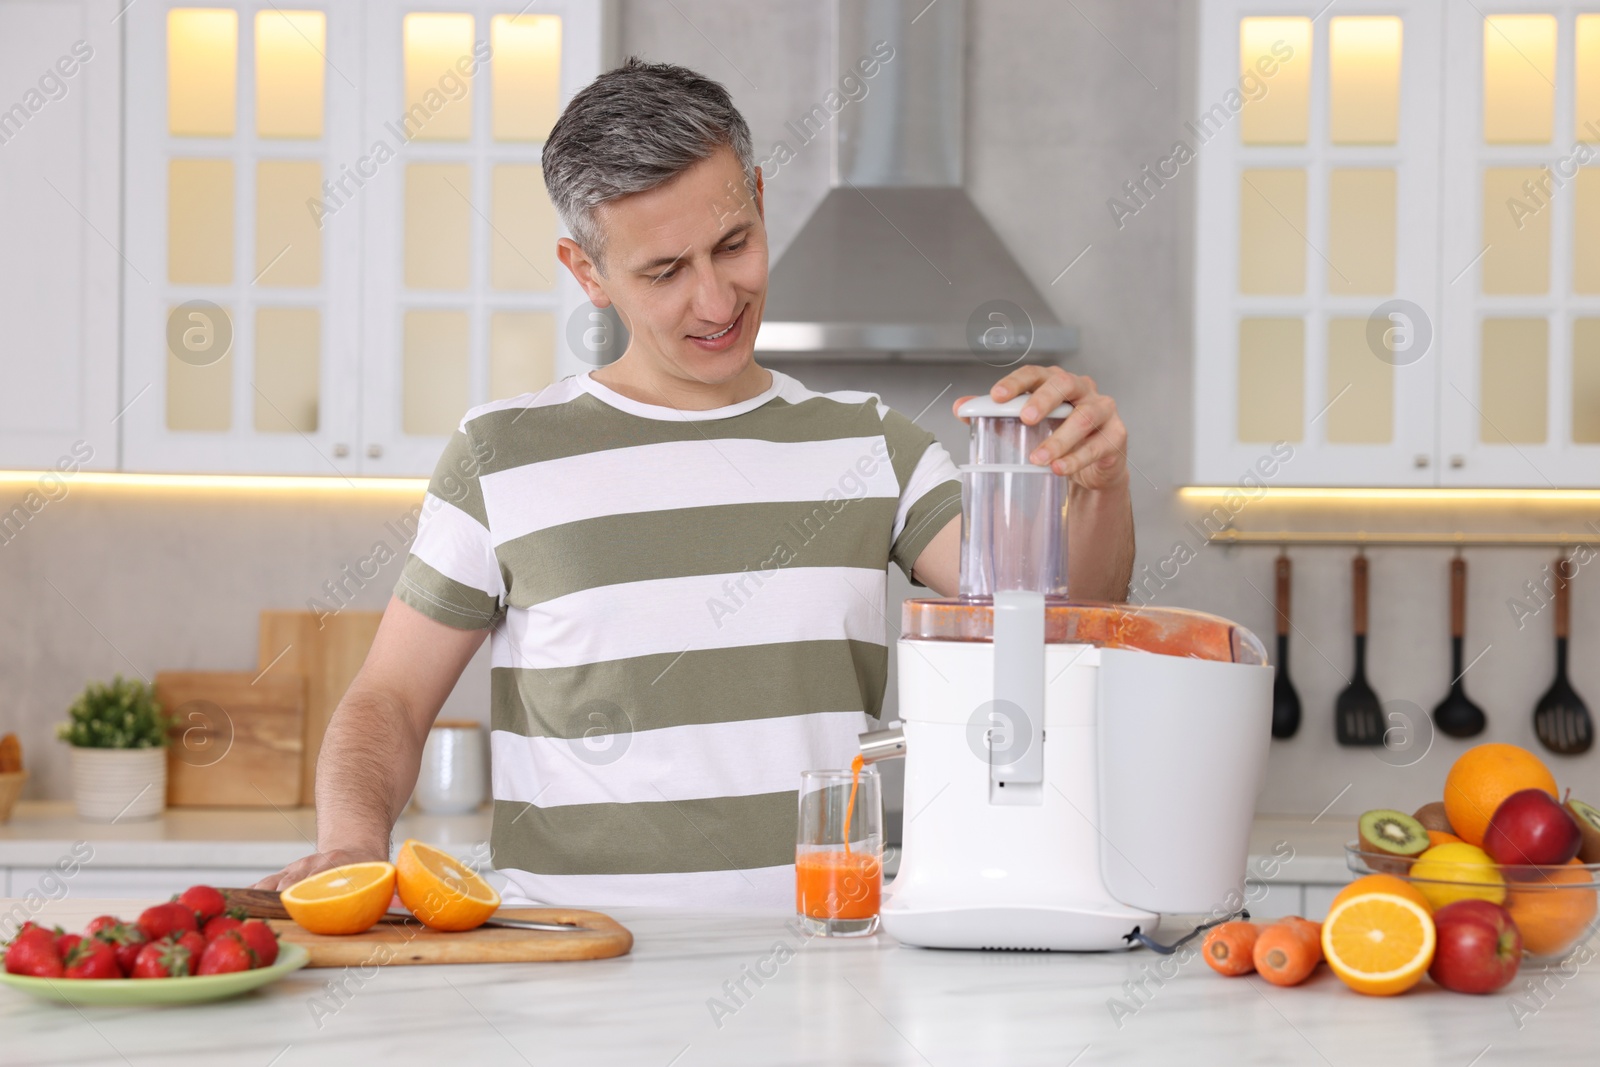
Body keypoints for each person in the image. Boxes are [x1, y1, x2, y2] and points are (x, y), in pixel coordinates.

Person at [255, 58, 1133, 906]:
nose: (716, 301)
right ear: (587, 272)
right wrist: (349, 846)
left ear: (757, 198)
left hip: (823, 961)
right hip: (570, 972)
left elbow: (1053, 634)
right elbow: (390, 701)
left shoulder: (874, 447)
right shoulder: (501, 457)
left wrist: (1099, 484)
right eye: (666, 272)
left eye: (733, 245)